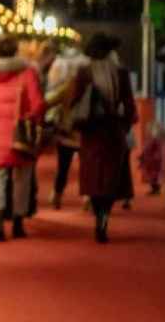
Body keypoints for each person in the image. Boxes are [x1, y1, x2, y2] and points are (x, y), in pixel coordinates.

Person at [0, 35, 45, 242]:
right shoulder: (27, 73)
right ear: (15, 52)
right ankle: (17, 221)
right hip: (20, 135)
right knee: (22, 178)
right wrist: (30, 120)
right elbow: (38, 104)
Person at [68, 33, 137, 243]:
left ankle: (98, 216)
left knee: (93, 177)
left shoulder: (84, 72)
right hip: (113, 131)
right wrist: (124, 126)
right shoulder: (121, 73)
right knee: (110, 178)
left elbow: (73, 101)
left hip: (91, 132)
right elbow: (130, 105)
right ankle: (105, 216)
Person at [45, 46, 88, 209]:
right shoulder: (91, 87)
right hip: (85, 132)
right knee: (86, 167)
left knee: (63, 166)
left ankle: (57, 194)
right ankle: (87, 197)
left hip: (67, 131)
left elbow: (51, 101)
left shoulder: (67, 87)